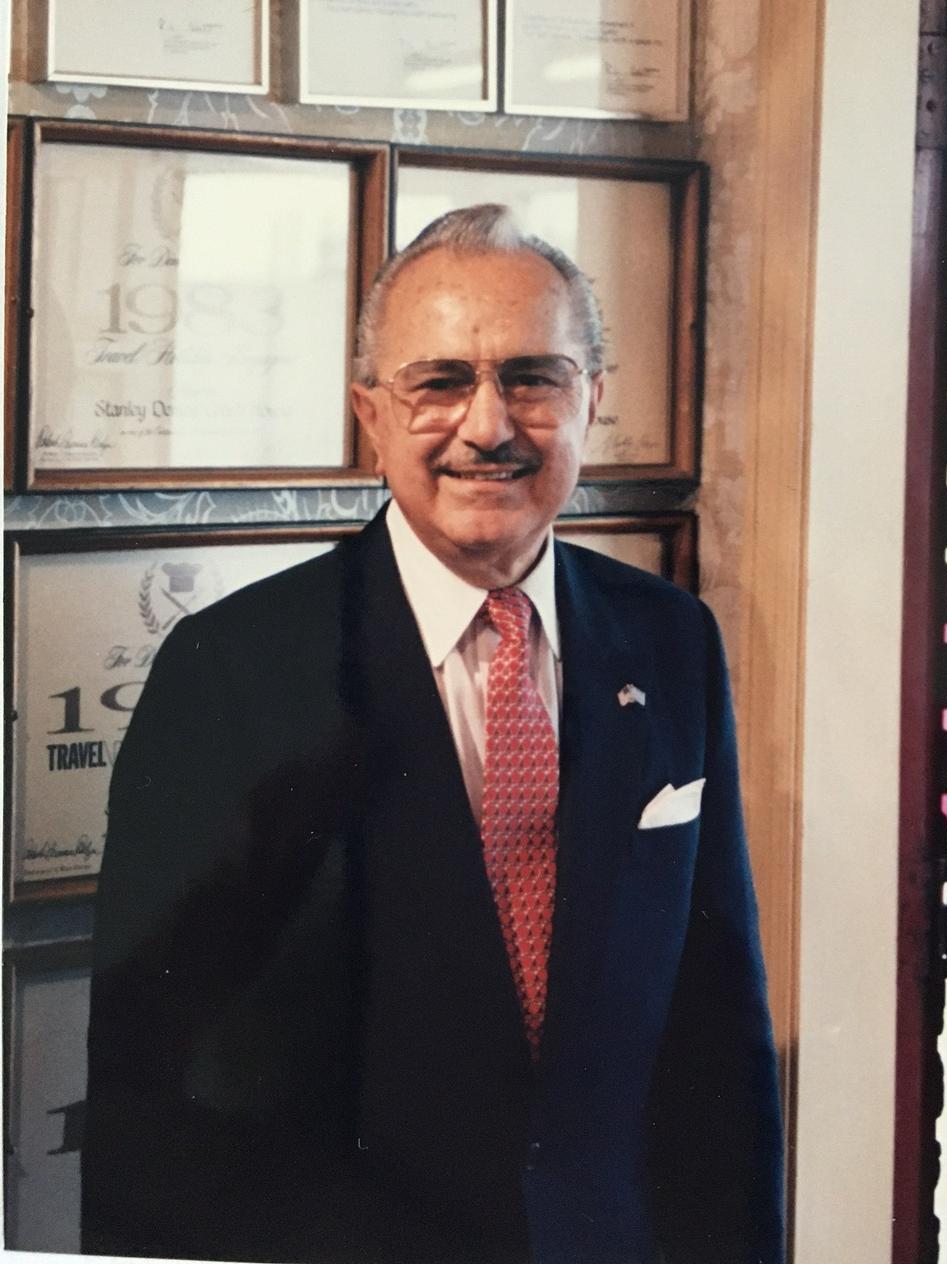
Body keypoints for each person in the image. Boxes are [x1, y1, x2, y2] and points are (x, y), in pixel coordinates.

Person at [82, 205, 785, 1264]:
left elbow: (718, 1026)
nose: (489, 424)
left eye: (534, 378)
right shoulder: (231, 671)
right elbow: (151, 1087)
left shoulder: (669, 640)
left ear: (593, 400)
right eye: (441, 381)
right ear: (373, 412)